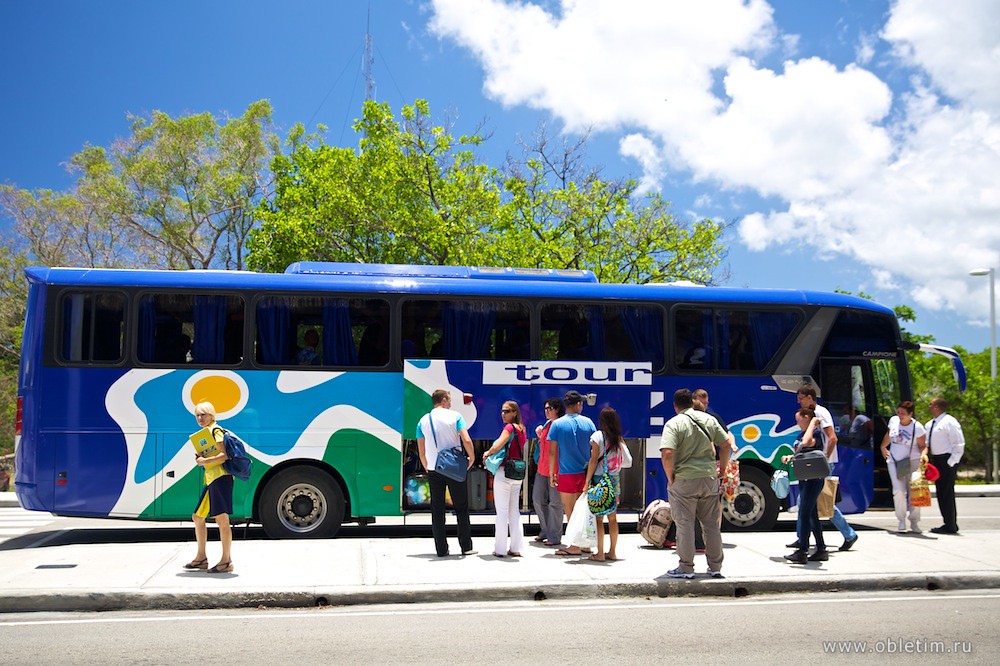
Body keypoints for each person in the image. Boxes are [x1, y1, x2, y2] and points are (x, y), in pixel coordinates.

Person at [660, 389, 730, 579]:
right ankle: (715, 567)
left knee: (685, 524)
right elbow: (726, 444)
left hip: (684, 480)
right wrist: (722, 470)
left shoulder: (673, 424)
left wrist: (670, 477)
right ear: (692, 402)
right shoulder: (708, 420)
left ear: (675, 406)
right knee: (711, 525)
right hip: (709, 479)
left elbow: (667, 453)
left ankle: (686, 568)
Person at [790, 385, 859, 551]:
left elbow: (832, 438)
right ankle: (803, 538)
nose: (798, 401)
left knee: (819, 502)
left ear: (809, 397)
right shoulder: (813, 414)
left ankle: (848, 534)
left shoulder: (821, 413)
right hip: (817, 464)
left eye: (800, 398)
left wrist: (824, 459)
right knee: (810, 502)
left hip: (821, 464)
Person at [417, 389, 477, 557]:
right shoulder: (455, 416)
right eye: (449, 400)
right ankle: (466, 546)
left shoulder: (422, 421)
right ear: (443, 400)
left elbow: (421, 451)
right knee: (461, 507)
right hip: (454, 468)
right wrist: (471, 457)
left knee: (437, 509)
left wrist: (427, 466)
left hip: (434, 469)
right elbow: (466, 439)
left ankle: (441, 549)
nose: (450, 404)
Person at [184, 402, 234, 574]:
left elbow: (224, 455)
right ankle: (201, 558)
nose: (200, 418)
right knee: (198, 517)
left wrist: (204, 461)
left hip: (220, 478)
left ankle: (226, 561)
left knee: (222, 520)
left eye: (203, 414)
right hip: (212, 479)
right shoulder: (206, 433)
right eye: (197, 415)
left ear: (212, 415)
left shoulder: (216, 431)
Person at [548, 390, 597, 557]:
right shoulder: (589, 422)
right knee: (584, 510)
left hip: (567, 473)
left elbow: (552, 452)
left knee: (570, 512)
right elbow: (594, 448)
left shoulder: (557, 424)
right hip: (585, 473)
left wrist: (551, 473)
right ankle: (585, 544)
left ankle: (575, 545)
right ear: (578, 405)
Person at [782, 408, 828, 564]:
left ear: (806, 417)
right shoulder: (802, 434)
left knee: (803, 514)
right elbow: (802, 449)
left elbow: (808, 443)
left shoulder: (815, 434)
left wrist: (813, 424)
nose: (797, 422)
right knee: (812, 514)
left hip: (813, 479)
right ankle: (821, 549)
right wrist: (791, 456)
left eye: (799, 419)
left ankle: (802, 551)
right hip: (805, 478)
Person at [483, 400, 528, 557]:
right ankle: (516, 548)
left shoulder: (509, 428)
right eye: (502, 411)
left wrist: (487, 453)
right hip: (517, 473)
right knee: (514, 511)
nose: (503, 414)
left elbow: (498, 446)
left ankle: (500, 549)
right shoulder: (522, 429)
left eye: (507, 411)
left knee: (502, 512)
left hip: (504, 472)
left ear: (515, 413)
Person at [583, 407, 625, 562]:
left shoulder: (597, 437)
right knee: (613, 519)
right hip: (614, 479)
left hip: (599, 480)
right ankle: (612, 552)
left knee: (599, 518)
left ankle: (600, 553)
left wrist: (587, 481)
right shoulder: (618, 438)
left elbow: (594, 460)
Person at [879, 401, 927, 533]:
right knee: (899, 491)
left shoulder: (918, 427)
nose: (900, 415)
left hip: (913, 462)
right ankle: (901, 519)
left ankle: (914, 521)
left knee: (914, 493)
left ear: (911, 414)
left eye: (903, 413)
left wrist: (924, 456)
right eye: (898, 412)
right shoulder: (894, 421)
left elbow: (923, 446)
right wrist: (883, 447)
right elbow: (889, 435)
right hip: (894, 461)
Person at [925, 397, 965, 535]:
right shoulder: (931, 424)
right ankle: (947, 522)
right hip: (935, 460)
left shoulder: (950, 422)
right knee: (941, 492)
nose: (929, 406)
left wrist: (951, 463)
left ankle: (951, 525)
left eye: (931, 404)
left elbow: (958, 444)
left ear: (937, 407)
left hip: (946, 460)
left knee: (947, 493)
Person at [532, 397, 565, 547]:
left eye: (549, 408)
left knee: (555, 503)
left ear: (557, 409)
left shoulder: (560, 425)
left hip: (556, 469)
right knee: (538, 499)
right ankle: (545, 530)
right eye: (545, 408)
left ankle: (554, 535)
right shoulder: (547, 425)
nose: (546, 411)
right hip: (542, 468)